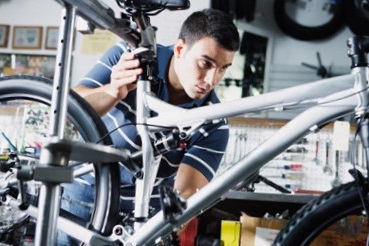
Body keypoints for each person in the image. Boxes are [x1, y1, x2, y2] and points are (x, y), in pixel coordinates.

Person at [60, 7, 240, 244]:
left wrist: (169, 223)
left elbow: (185, 194)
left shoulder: (213, 122)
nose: (211, 80)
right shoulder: (129, 57)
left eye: (222, 69)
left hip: (142, 218)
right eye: (205, 64)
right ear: (180, 49)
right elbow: (67, 112)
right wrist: (112, 90)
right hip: (84, 197)